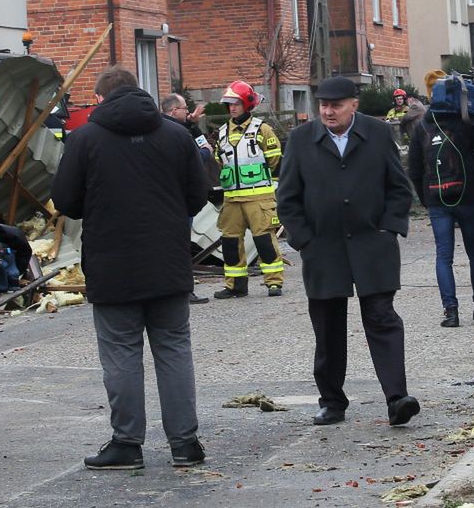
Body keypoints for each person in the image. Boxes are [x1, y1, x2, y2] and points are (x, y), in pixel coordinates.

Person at [53, 68, 211, 471]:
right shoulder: (176, 135)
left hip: (112, 263)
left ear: (101, 98)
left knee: (121, 354)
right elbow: (198, 194)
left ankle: (127, 444)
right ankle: (185, 443)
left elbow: (66, 201)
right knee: (174, 349)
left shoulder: (84, 138)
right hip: (169, 260)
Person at [276, 76, 420, 427]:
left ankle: (396, 398)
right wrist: (304, 240)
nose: (328, 111)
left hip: (373, 244)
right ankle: (332, 401)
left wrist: (389, 227)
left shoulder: (378, 133)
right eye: (323, 105)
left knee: (382, 318)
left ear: (353, 104)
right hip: (323, 248)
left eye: (336, 105)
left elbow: (399, 188)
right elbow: (287, 198)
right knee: (327, 327)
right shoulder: (300, 140)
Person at [407, 78, 474, 328]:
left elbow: (414, 168)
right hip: (468, 196)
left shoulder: (422, 127)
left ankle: (451, 311)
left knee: (443, 256)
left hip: (436, 198)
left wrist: (425, 197)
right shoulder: (467, 123)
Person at [213, 80, 285, 298]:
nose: (232, 108)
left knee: (264, 239)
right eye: (229, 104)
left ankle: (274, 282)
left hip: (259, 197)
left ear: (246, 104)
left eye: (236, 103)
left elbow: (275, 162)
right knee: (230, 243)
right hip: (232, 199)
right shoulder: (222, 132)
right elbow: (220, 160)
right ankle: (235, 285)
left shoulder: (262, 129)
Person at [161, 93, 212, 305]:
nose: (188, 112)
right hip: (179, 199)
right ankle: (184, 290)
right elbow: (190, 160)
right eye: (184, 109)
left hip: (167, 199)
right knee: (181, 246)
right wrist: (205, 154)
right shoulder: (175, 133)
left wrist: (193, 125)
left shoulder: (167, 128)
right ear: (174, 111)